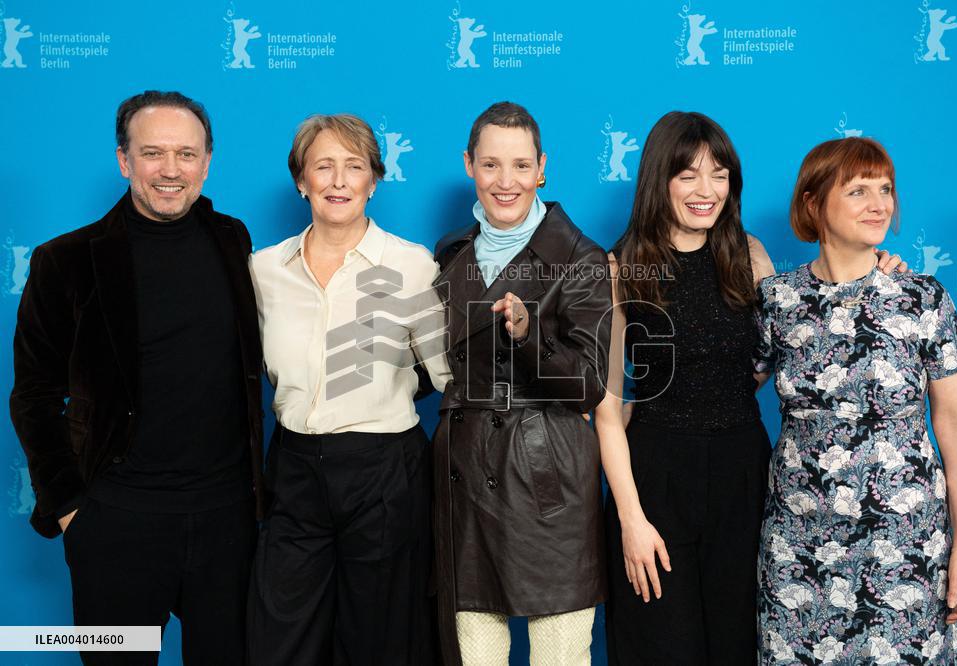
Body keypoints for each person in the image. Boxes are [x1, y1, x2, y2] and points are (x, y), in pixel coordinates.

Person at [596, 112, 908, 665]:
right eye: (688, 175)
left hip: (745, 476)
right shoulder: (622, 267)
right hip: (655, 478)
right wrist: (630, 518)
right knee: (660, 647)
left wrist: (873, 271)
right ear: (658, 181)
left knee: (741, 643)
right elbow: (610, 408)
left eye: (720, 174)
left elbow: (797, 336)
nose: (706, 190)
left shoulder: (750, 254)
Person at [10, 90, 264, 664]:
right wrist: (73, 509)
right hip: (115, 523)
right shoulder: (65, 260)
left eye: (186, 153)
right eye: (153, 153)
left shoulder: (233, 240)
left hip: (228, 522)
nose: (171, 170)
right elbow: (33, 396)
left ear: (207, 161)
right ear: (124, 160)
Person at [755, 137, 957, 664]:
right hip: (800, 548)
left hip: (905, 548)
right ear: (813, 204)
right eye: (858, 191)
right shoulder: (776, 300)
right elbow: (722, 396)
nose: (880, 204)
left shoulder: (923, 298)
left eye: (885, 189)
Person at [247, 113, 451, 665]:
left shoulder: (411, 265)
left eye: (353, 167)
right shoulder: (264, 270)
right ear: (301, 180)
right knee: (279, 640)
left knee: (379, 640)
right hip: (292, 469)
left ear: (373, 181)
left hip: (383, 471)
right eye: (323, 167)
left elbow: (444, 373)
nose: (338, 181)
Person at [430, 101, 612, 666]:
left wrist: (531, 336)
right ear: (469, 166)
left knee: (560, 656)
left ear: (542, 168)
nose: (505, 182)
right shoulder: (450, 252)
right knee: (475, 654)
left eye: (519, 165)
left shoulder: (581, 257)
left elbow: (588, 387)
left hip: (547, 483)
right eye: (490, 165)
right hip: (465, 476)